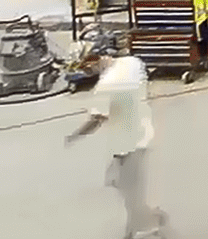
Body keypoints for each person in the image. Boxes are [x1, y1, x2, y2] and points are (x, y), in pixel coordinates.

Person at [67, 54, 165, 239]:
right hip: (142, 134)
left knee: (130, 193)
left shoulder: (106, 85)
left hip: (128, 144)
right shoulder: (131, 62)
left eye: (87, 70)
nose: (88, 74)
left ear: (94, 64)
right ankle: (144, 222)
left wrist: (75, 135)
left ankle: (151, 224)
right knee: (120, 184)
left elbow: (96, 120)